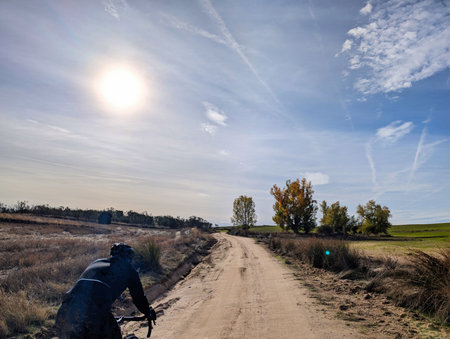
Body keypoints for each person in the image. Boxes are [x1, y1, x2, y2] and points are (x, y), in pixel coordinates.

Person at [55, 243, 155, 338]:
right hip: (95, 315)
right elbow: (138, 298)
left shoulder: (96, 262)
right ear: (128, 257)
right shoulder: (128, 269)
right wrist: (147, 312)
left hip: (65, 312)